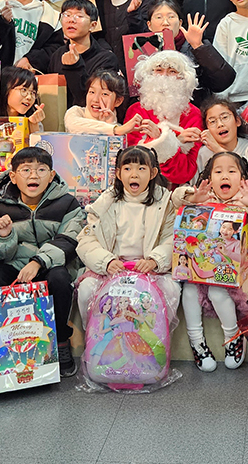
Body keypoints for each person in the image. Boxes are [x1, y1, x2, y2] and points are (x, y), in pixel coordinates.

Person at [0, 146, 87, 376]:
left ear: (51, 175)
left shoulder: (67, 203)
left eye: (41, 170)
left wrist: (38, 261)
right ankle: (2, 346)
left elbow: (69, 239)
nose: (33, 175)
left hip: (52, 264)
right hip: (16, 265)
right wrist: (4, 236)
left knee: (59, 278)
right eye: (26, 170)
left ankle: (60, 340)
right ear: (12, 176)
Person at [75, 146, 182, 359]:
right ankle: (95, 337)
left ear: (152, 173)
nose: (134, 174)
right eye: (127, 168)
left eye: (142, 168)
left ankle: (155, 340)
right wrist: (106, 262)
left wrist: (154, 259)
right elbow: (85, 240)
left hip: (149, 269)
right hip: (112, 268)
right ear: (118, 173)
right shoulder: (105, 203)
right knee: (86, 289)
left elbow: (174, 237)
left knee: (172, 289)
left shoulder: (165, 202)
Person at [173, 152, 248, 371]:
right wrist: (193, 198)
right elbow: (176, 197)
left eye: (232, 171)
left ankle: (233, 337)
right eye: (218, 171)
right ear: (209, 178)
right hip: (203, 265)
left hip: (239, 270)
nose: (225, 176)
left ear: (242, 178)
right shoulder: (204, 196)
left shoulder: (247, 199)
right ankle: (197, 342)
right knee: (189, 290)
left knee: (217, 292)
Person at [124, 50, 205, 186]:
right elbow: (131, 162)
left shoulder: (193, 114)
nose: (164, 76)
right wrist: (175, 142)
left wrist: (160, 141)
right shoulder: (136, 111)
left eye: (172, 71)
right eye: (159, 70)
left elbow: (184, 173)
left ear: (184, 78)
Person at [145, 0, 236, 103]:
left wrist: (198, 46)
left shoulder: (193, 46)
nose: (165, 22)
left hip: (193, 112)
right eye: (159, 17)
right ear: (149, 25)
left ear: (180, 23)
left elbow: (224, 81)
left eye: (171, 17)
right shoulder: (141, 50)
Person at [42, 0, 121, 108]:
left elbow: (93, 101)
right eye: (67, 15)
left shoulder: (106, 59)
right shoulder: (57, 55)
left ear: (92, 25)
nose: (71, 20)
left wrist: (74, 67)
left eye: (79, 16)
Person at [197, 97, 248, 185]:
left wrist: (219, 150)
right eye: (212, 121)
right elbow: (196, 185)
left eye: (225, 117)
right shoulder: (202, 153)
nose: (220, 124)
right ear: (207, 129)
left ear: (237, 121)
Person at [64, 70, 138, 135]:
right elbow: (73, 125)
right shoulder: (76, 112)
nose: (95, 99)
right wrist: (114, 129)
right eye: (92, 92)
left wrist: (111, 124)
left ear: (118, 101)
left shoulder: (120, 129)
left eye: (104, 94)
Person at [0, 65, 46, 130]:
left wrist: (34, 125)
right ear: (5, 89)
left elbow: (37, 140)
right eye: (24, 90)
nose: (29, 97)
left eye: (33, 92)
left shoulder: (34, 120)